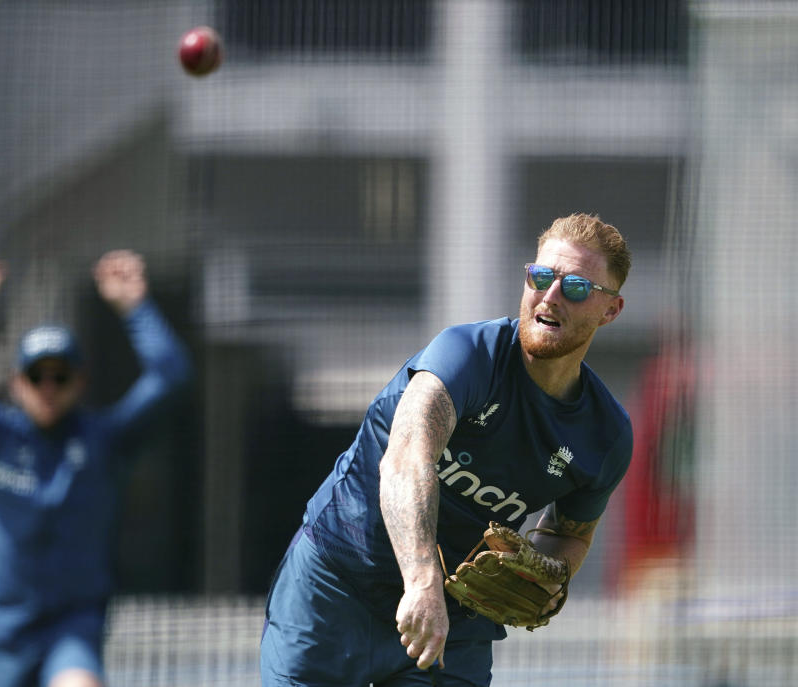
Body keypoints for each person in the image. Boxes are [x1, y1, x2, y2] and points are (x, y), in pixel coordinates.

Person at [260, 213, 633, 686]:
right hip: (337, 588)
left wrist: (543, 569)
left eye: (577, 287)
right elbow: (405, 460)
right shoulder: (467, 354)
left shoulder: (606, 435)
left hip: (455, 623)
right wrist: (421, 583)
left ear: (611, 310)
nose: (551, 295)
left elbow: (571, 533)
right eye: (541, 277)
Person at [0, 249, 191, 687]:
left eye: (61, 376)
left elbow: (171, 376)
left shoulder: (105, 441)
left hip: (71, 627)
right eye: (37, 376)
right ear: (18, 383)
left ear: (81, 381)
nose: (49, 387)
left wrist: (135, 307)